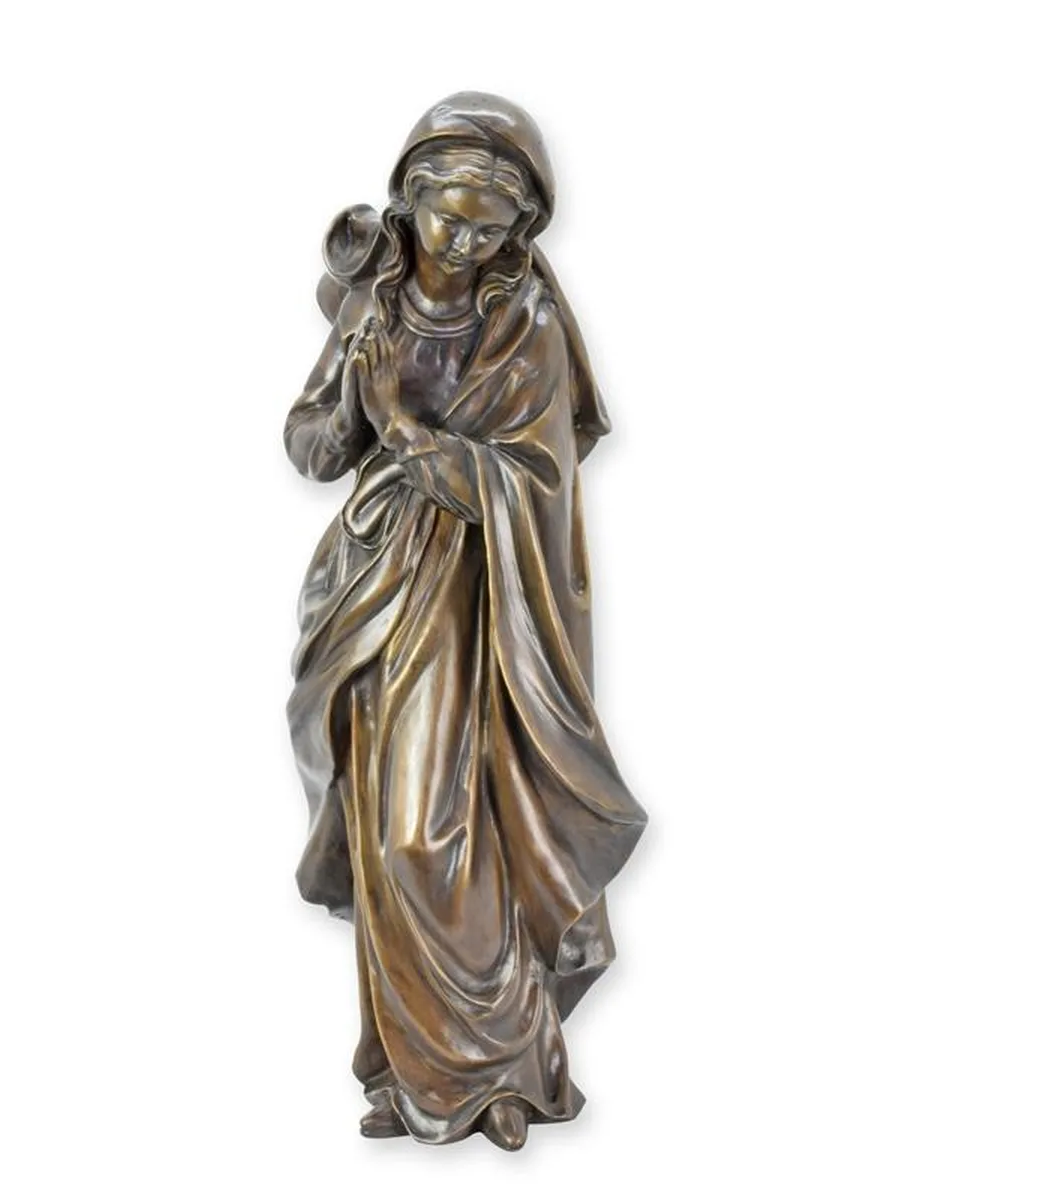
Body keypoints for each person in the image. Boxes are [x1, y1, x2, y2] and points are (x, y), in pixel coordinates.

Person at [283, 93, 647, 1150]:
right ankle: (416, 1071)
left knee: (451, 827)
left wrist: (406, 429)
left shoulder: (526, 323)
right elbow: (310, 447)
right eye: (449, 217)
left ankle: (506, 1068)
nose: (464, 243)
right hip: (370, 589)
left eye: (491, 230)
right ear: (413, 197)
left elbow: (538, 476)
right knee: (386, 834)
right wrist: (353, 403)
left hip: (488, 599)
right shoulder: (376, 300)